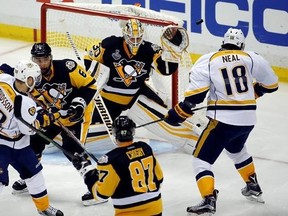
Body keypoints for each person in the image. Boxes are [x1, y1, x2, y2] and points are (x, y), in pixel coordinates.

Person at [165, 28, 279, 215]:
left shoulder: (209, 59)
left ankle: (208, 200)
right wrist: (254, 93)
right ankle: (253, 186)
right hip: (248, 120)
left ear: (222, 43)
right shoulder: (252, 57)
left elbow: (196, 96)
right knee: (237, 150)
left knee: (201, 160)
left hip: (223, 121)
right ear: (241, 45)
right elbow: (272, 85)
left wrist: (177, 114)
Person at [84, 18, 200, 163]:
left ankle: (194, 140)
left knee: (165, 118)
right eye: (131, 37)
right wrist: (96, 73)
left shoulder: (149, 49)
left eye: (138, 37)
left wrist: (174, 54)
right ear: (125, 35)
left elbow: (166, 70)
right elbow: (88, 56)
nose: (135, 41)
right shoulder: (110, 44)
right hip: (108, 99)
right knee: (86, 133)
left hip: (136, 95)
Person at [11, 42, 100, 206]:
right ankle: (29, 176)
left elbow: (90, 86)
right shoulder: (31, 76)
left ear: (51, 57)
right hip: (54, 115)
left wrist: (78, 104)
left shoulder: (67, 67)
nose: (42, 63)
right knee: (33, 144)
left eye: (45, 59)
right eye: (38, 60)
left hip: (77, 115)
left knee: (73, 150)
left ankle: (97, 189)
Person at [0, 60, 63, 216]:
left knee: (34, 174)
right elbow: (29, 130)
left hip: (18, 144)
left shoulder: (4, 79)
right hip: (4, 144)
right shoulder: (26, 104)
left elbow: (4, 68)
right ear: (29, 80)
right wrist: (46, 118)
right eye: (35, 78)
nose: (37, 81)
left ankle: (43, 208)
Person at [72, 115, 164, 216]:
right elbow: (159, 179)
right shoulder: (145, 148)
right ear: (133, 132)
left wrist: (86, 171)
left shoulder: (110, 159)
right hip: (156, 209)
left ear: (114, 133)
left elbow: (101, 195)